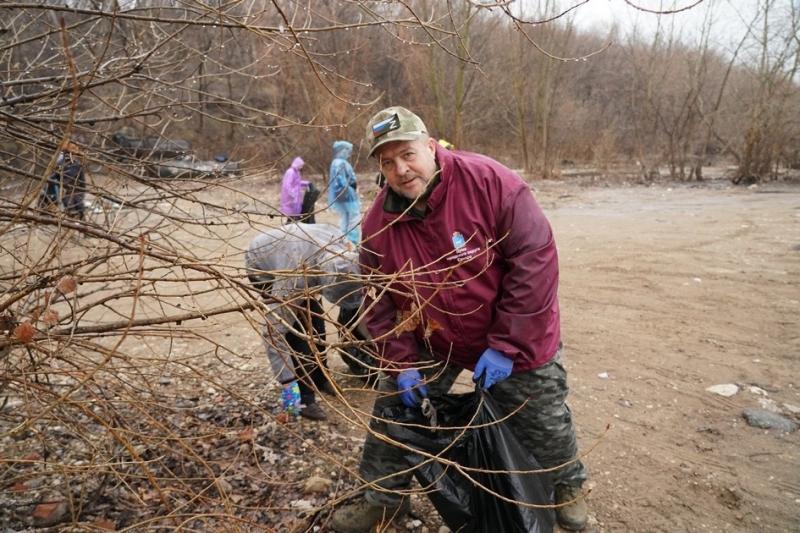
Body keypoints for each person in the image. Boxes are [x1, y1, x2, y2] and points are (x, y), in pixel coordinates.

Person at [331, 107, 589, 532]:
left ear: (430, 146)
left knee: (542, 416)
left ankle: (567, 484)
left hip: (513, 334)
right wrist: (401, 363)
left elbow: (535, 262)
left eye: (408, 154)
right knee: (394, 411)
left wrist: (507, 344)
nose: (400, 169)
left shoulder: (491, 183)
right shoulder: (379, 223)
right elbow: (377, 303)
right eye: (387, 162)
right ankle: (383, 499)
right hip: (436, 338)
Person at [245, 222, 362, 421]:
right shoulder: (293, 280)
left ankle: (320, 376)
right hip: (260, 264)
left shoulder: (342, 247)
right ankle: (303, 398)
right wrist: (287, 386)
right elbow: (272, 333)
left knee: (315, 319)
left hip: (298, 249)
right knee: (295, 330)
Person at [38, 144, 86, 220]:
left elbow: (80, 181)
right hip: (67, 190)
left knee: (71, 197)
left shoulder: (74, 163)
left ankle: (75, 214)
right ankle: (45, 211)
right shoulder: (68, 162)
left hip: (70, 190)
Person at [328, 141, 361, 245]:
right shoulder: (340, 163)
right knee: (353, 218)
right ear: (341, 150)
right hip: (347, 196)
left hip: (342, 195)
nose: (349, 153)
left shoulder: (335, 162)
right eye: (347, 150)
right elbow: (341, 181)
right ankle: (351, 241)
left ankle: (343, 240)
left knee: (344, 218)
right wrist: (349, 190)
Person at [279, 157, 310, 222]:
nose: (301, 167)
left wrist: (306, 183)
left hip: (296, 196)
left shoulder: (296, 172)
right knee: (291, 213)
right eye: (301, 166)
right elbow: (286, 185)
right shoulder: (290, 172)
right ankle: (290, 225)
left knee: (294, 213)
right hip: (290, 197)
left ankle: (292, 223)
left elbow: (297, 183)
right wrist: (292, 194)